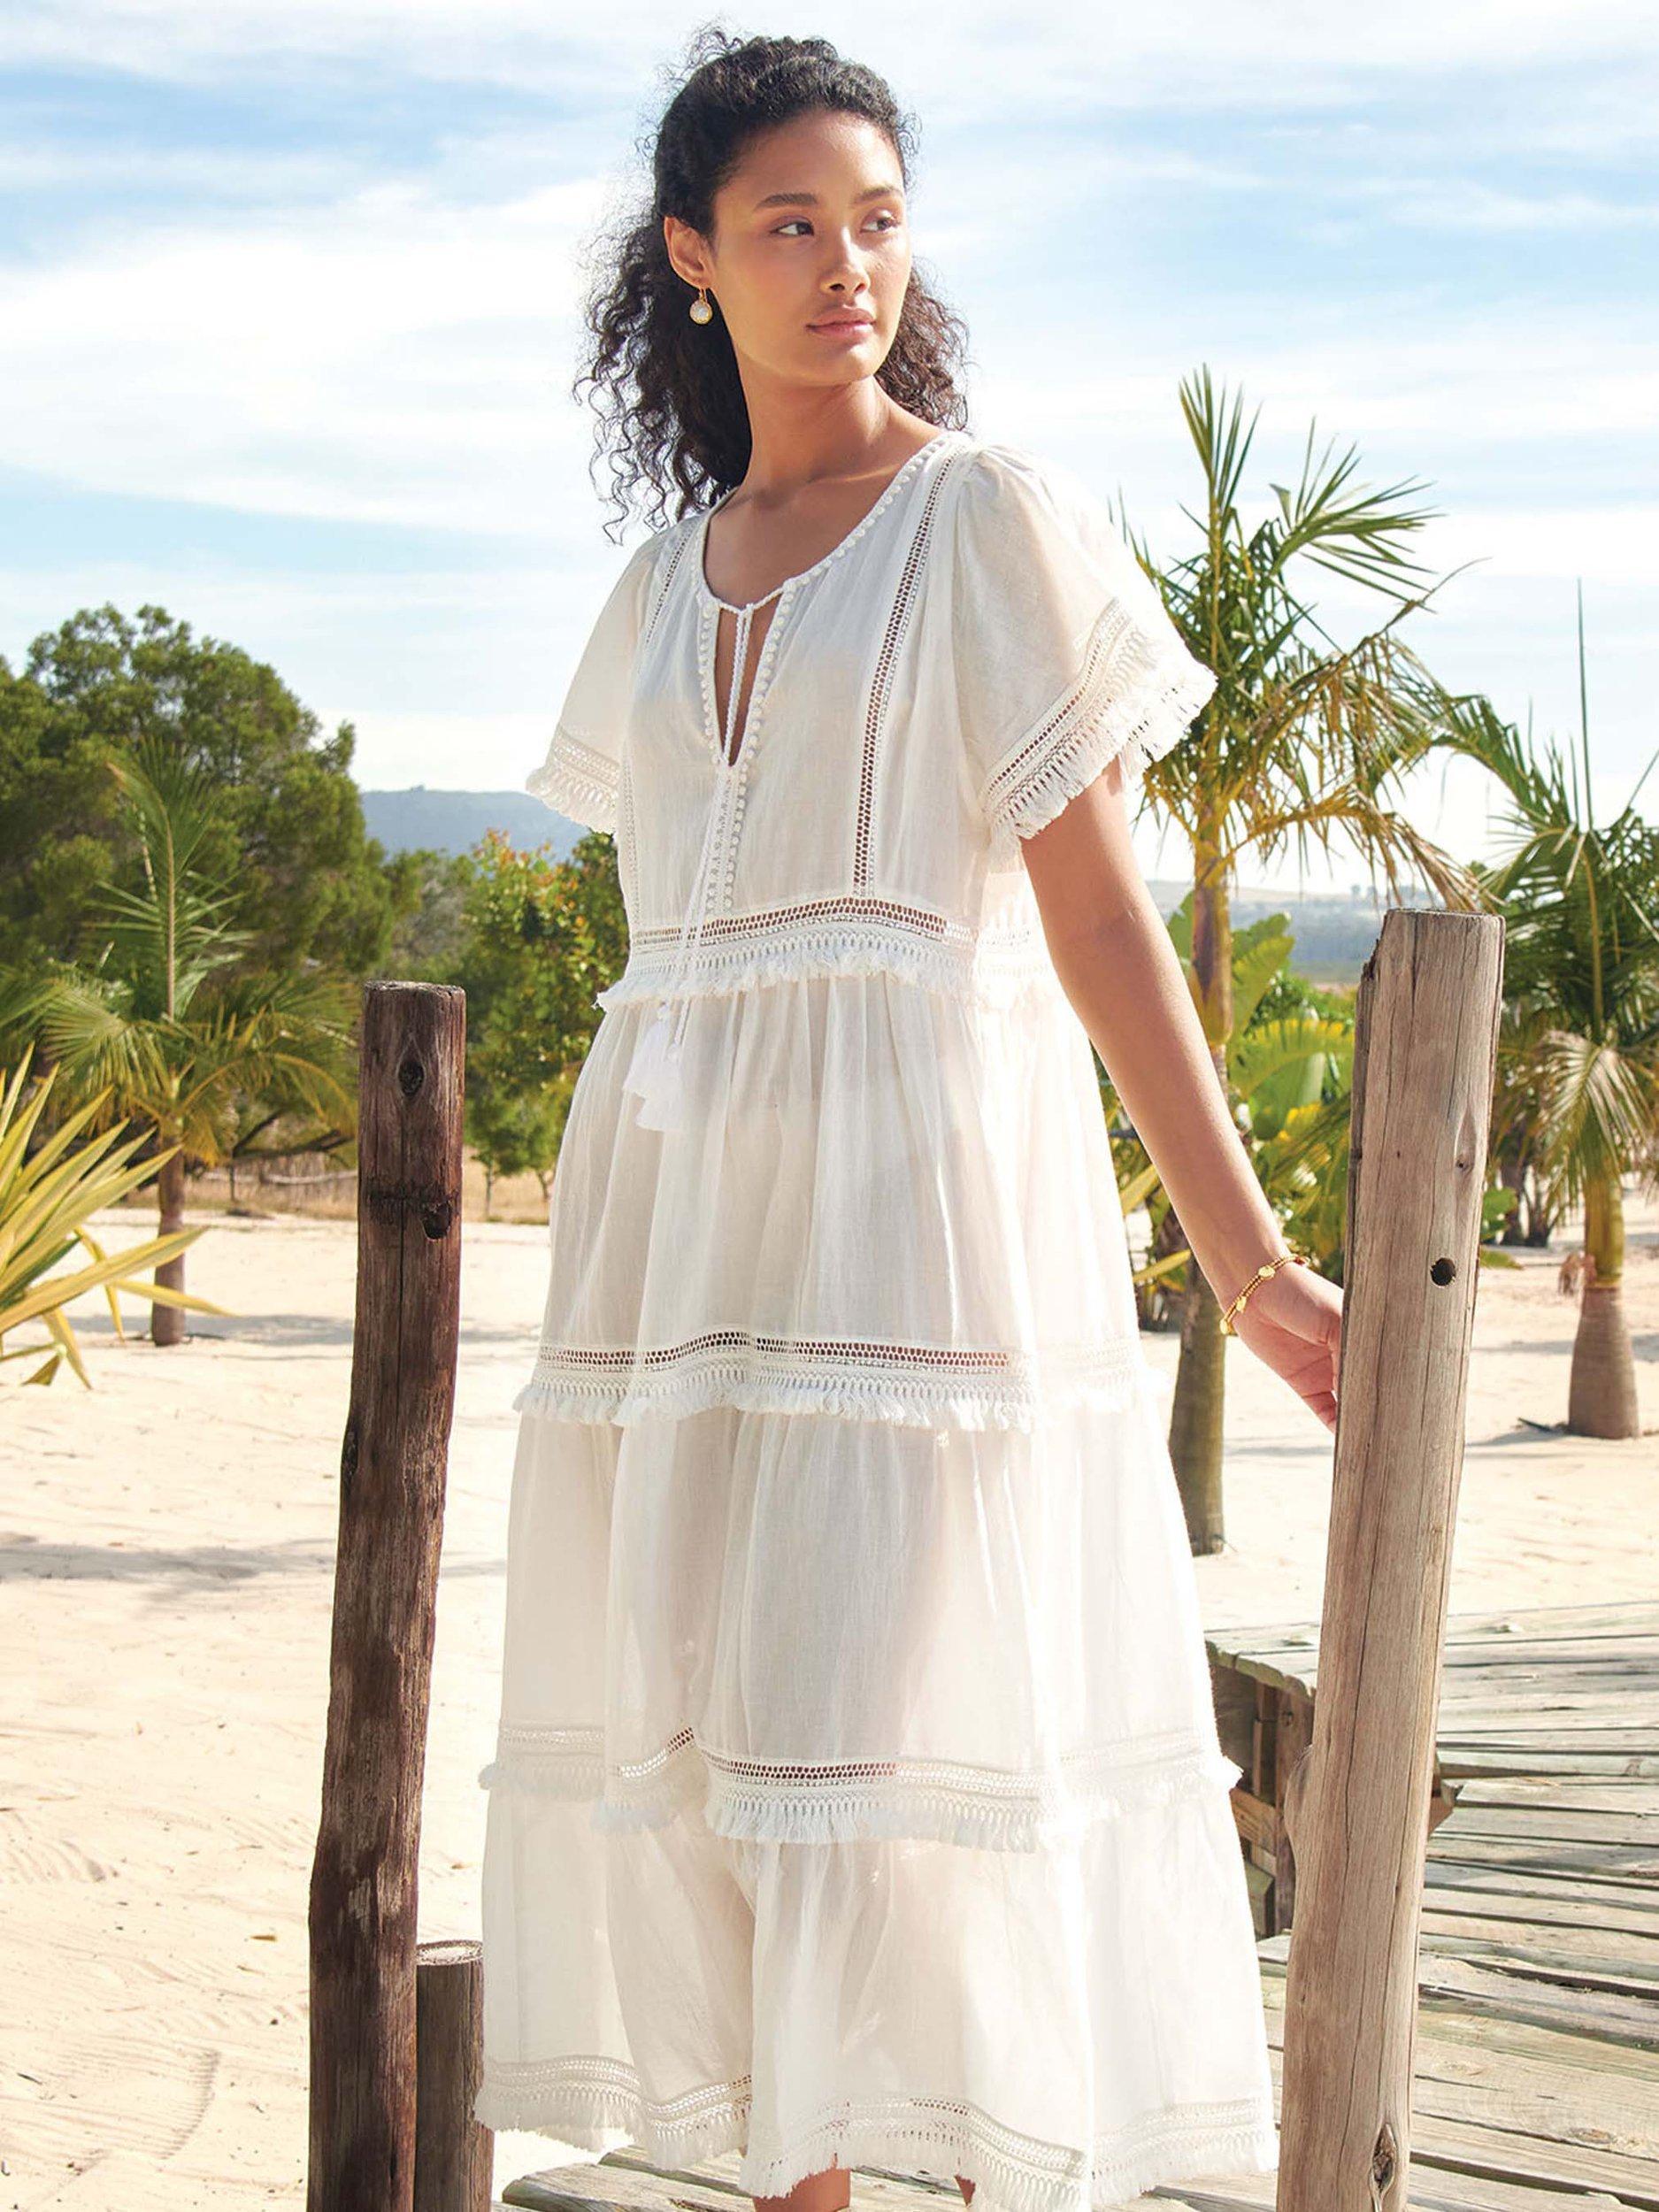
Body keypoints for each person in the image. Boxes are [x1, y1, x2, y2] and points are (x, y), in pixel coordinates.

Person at [476, 30, 1344, 2212]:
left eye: (873, 221)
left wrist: (1240, 1262)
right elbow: (682, 958)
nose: (841, 266)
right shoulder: (662, 581)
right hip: (678, 1269)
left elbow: (1100, 925)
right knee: (711, 1772)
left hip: (917, 1256)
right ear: (692, 257)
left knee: (879, 1779)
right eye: (787, 224)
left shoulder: (981, 519)